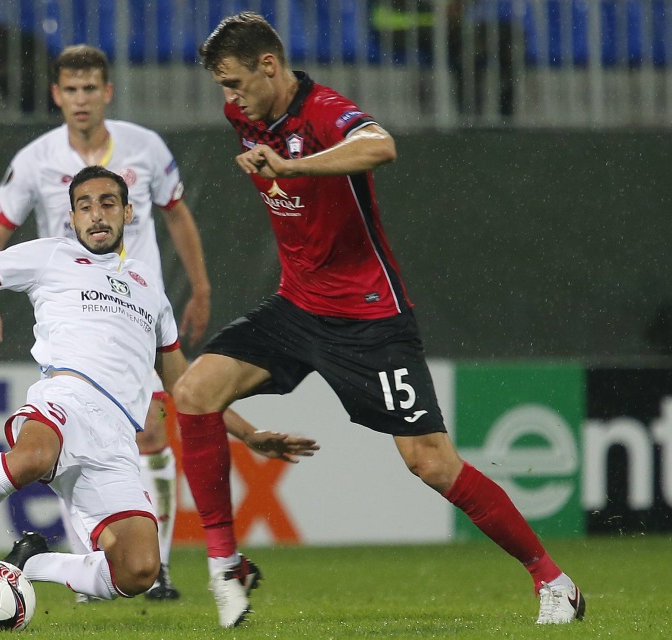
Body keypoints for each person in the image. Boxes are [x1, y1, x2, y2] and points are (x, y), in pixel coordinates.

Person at [171, 12, 586, 629]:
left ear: (269, 66)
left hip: (368, 318)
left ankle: (553, 581)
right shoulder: (247, 116)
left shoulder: (324, 112)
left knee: (430, 462)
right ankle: (225, 564)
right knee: (193, 390)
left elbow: (381, 146)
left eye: (233, 83)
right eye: (222, 88)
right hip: (296, 307)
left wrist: (296, 166)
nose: (228, 99)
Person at [0, 166, 318, 611]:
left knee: (139, 571)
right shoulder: (48, 257)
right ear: (72, 217)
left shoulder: (152, 289)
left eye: (107, 203)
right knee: (32, 457)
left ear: (128, 212)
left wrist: (249, 434)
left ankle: (30, 564)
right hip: (64, 397)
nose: (96, 214)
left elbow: (185, 386)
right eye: (84, 205)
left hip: (117, 441)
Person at [0, 44, 213, 600]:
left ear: (107, 92)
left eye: (90, 88)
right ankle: (97, 559)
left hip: (136, 316)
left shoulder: (145, 148)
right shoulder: (35, 159)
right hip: (77, 319)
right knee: (69, 442)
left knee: (152, 430)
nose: (81, 100)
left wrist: (199, 287)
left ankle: (158, 567)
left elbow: (178, 216)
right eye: (70, 90)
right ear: (57, 95)